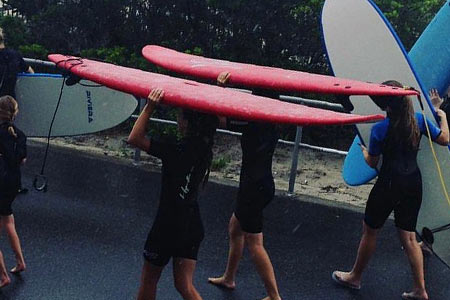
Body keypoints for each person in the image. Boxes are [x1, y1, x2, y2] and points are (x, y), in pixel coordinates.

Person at [332, 80, 449, 300]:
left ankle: (355, 277)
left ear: (385, 107)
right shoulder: (419, 121)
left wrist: (365, 151)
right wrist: (440, 114)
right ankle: (420, 290)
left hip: (388, 185)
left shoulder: (379, 129)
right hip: (413, 183)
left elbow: (372, 162)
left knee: (370, 231)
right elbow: (445, 139)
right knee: (410, 239)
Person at [127, 88, 218, 300]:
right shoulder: (204, 147)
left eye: (180, 115)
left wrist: (149, 106)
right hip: (191, 224)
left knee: (149, 282)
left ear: (187, 122)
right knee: (184, 285)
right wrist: (217, 90)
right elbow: (212, 118)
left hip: (167, 226)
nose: (177, 119)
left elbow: (134, 138)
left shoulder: (175, 149)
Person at [208, 72, 282, 300]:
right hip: (261, 183)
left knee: (255, 243)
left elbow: (220, 119)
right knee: (234, 228)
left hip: (253, 186)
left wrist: (220, 88)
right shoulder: (272, 118)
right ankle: (229, 278)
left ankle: (274, 296)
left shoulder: (253, 119)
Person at [0, 27, 33, 195]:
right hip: (9, 105)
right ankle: (15, 184)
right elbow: (30, 73)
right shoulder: (14, 55)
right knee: (9, 144)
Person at [0, 95, 27, 275]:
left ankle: (2, 276)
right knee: (8, 220)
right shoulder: (20, 135)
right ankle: (20, 262)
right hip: (13, 182)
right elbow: (22, 160)